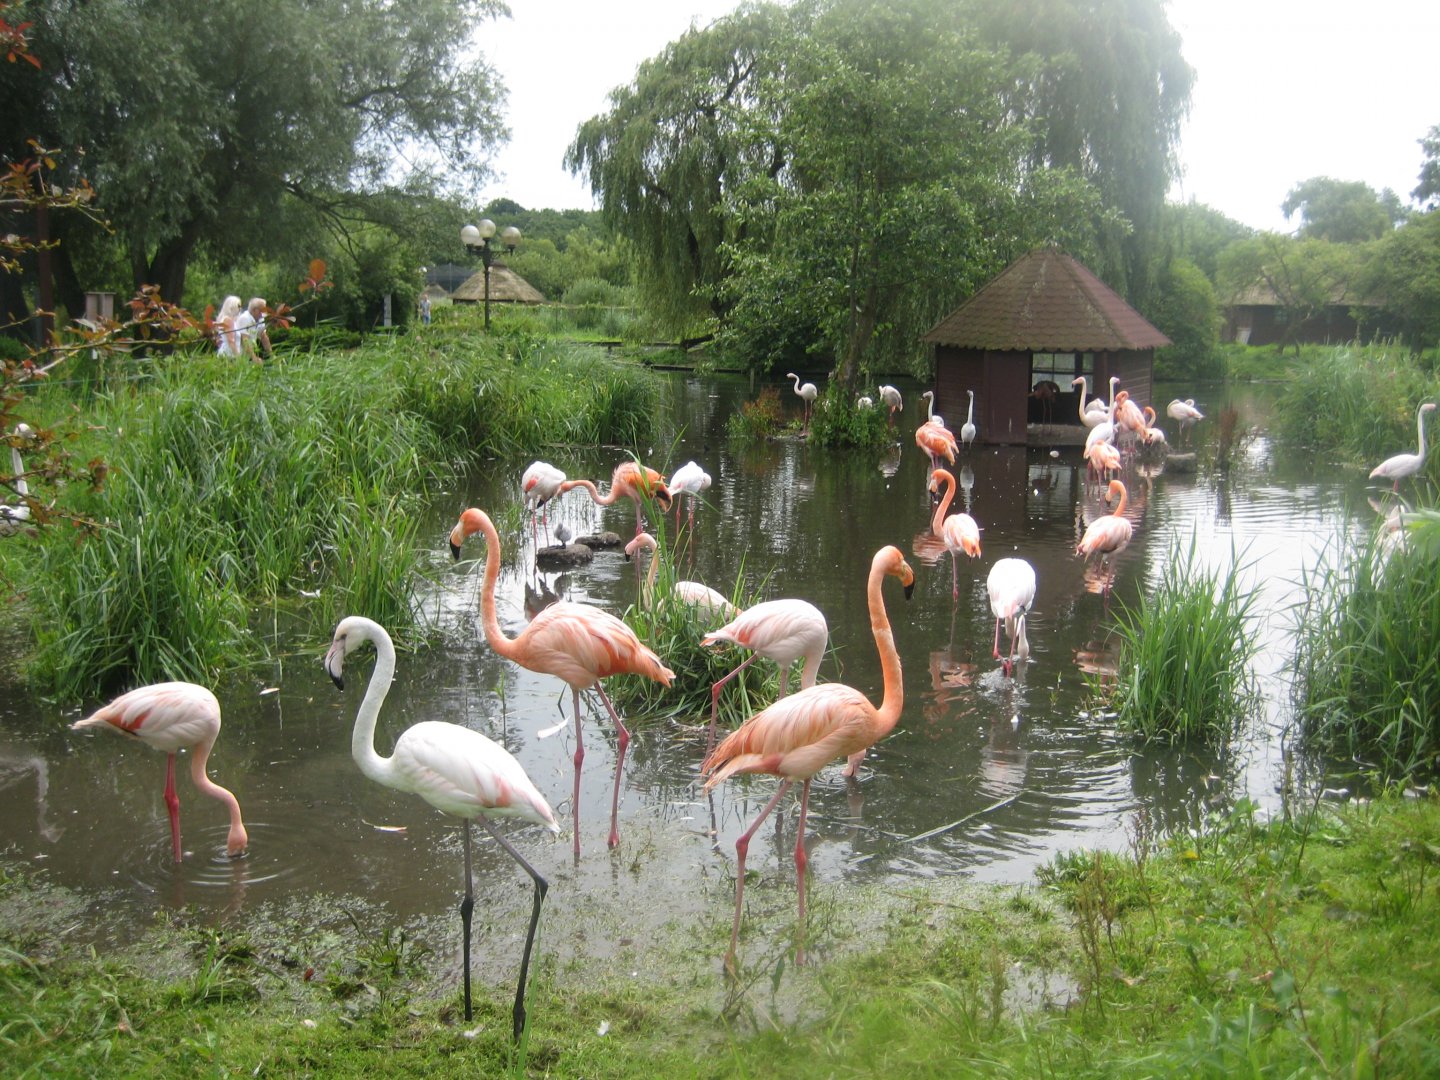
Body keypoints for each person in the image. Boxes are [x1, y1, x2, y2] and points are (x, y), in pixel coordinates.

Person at [234, 297, 271, 362]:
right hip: (238, 355)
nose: (263, 312)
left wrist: (272, 355)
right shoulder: (245, 318)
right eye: (262, 310)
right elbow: (245, 340)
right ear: (255, 310)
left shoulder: (260, 318)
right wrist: (254, 358)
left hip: (248, 354)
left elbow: (263, 336)